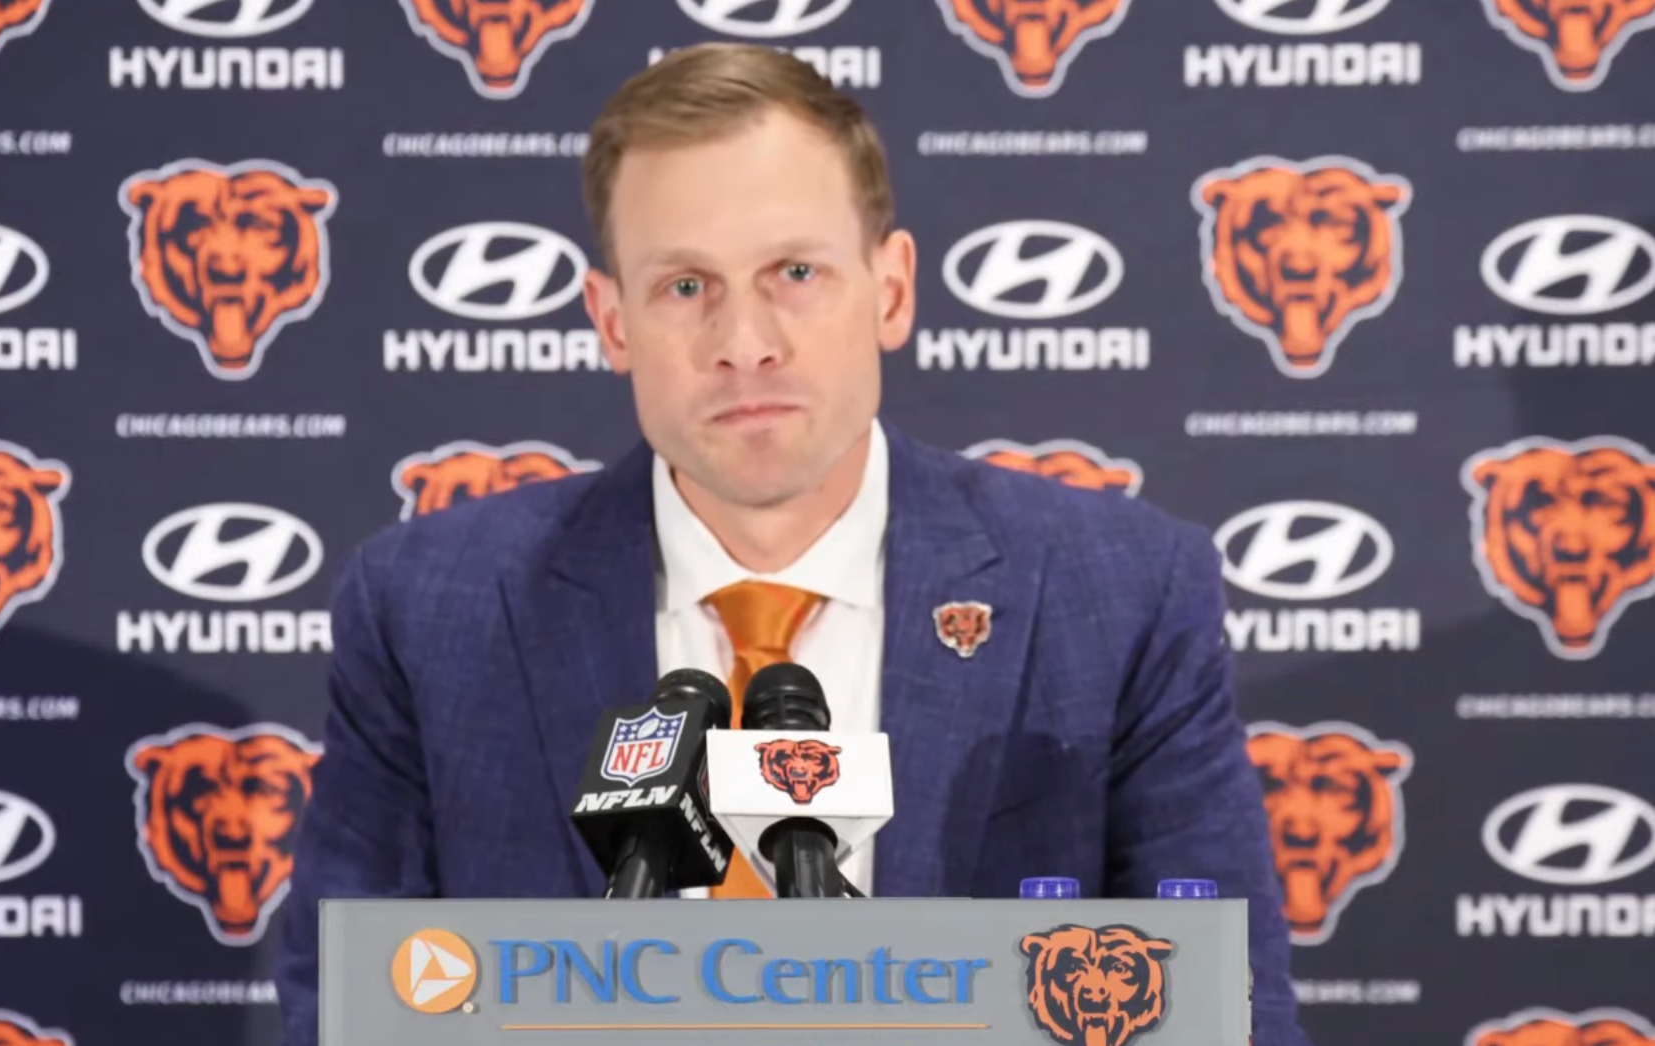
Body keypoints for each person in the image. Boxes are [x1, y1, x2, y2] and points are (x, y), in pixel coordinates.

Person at [275, 42, 1307, 1045]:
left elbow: (1228, 1013)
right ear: (612, 321)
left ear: (891, 290)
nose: (745, 343)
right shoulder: (430, 611)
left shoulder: (1119, 594)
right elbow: (348, 1006)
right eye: (686, 286)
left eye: (795, 271)